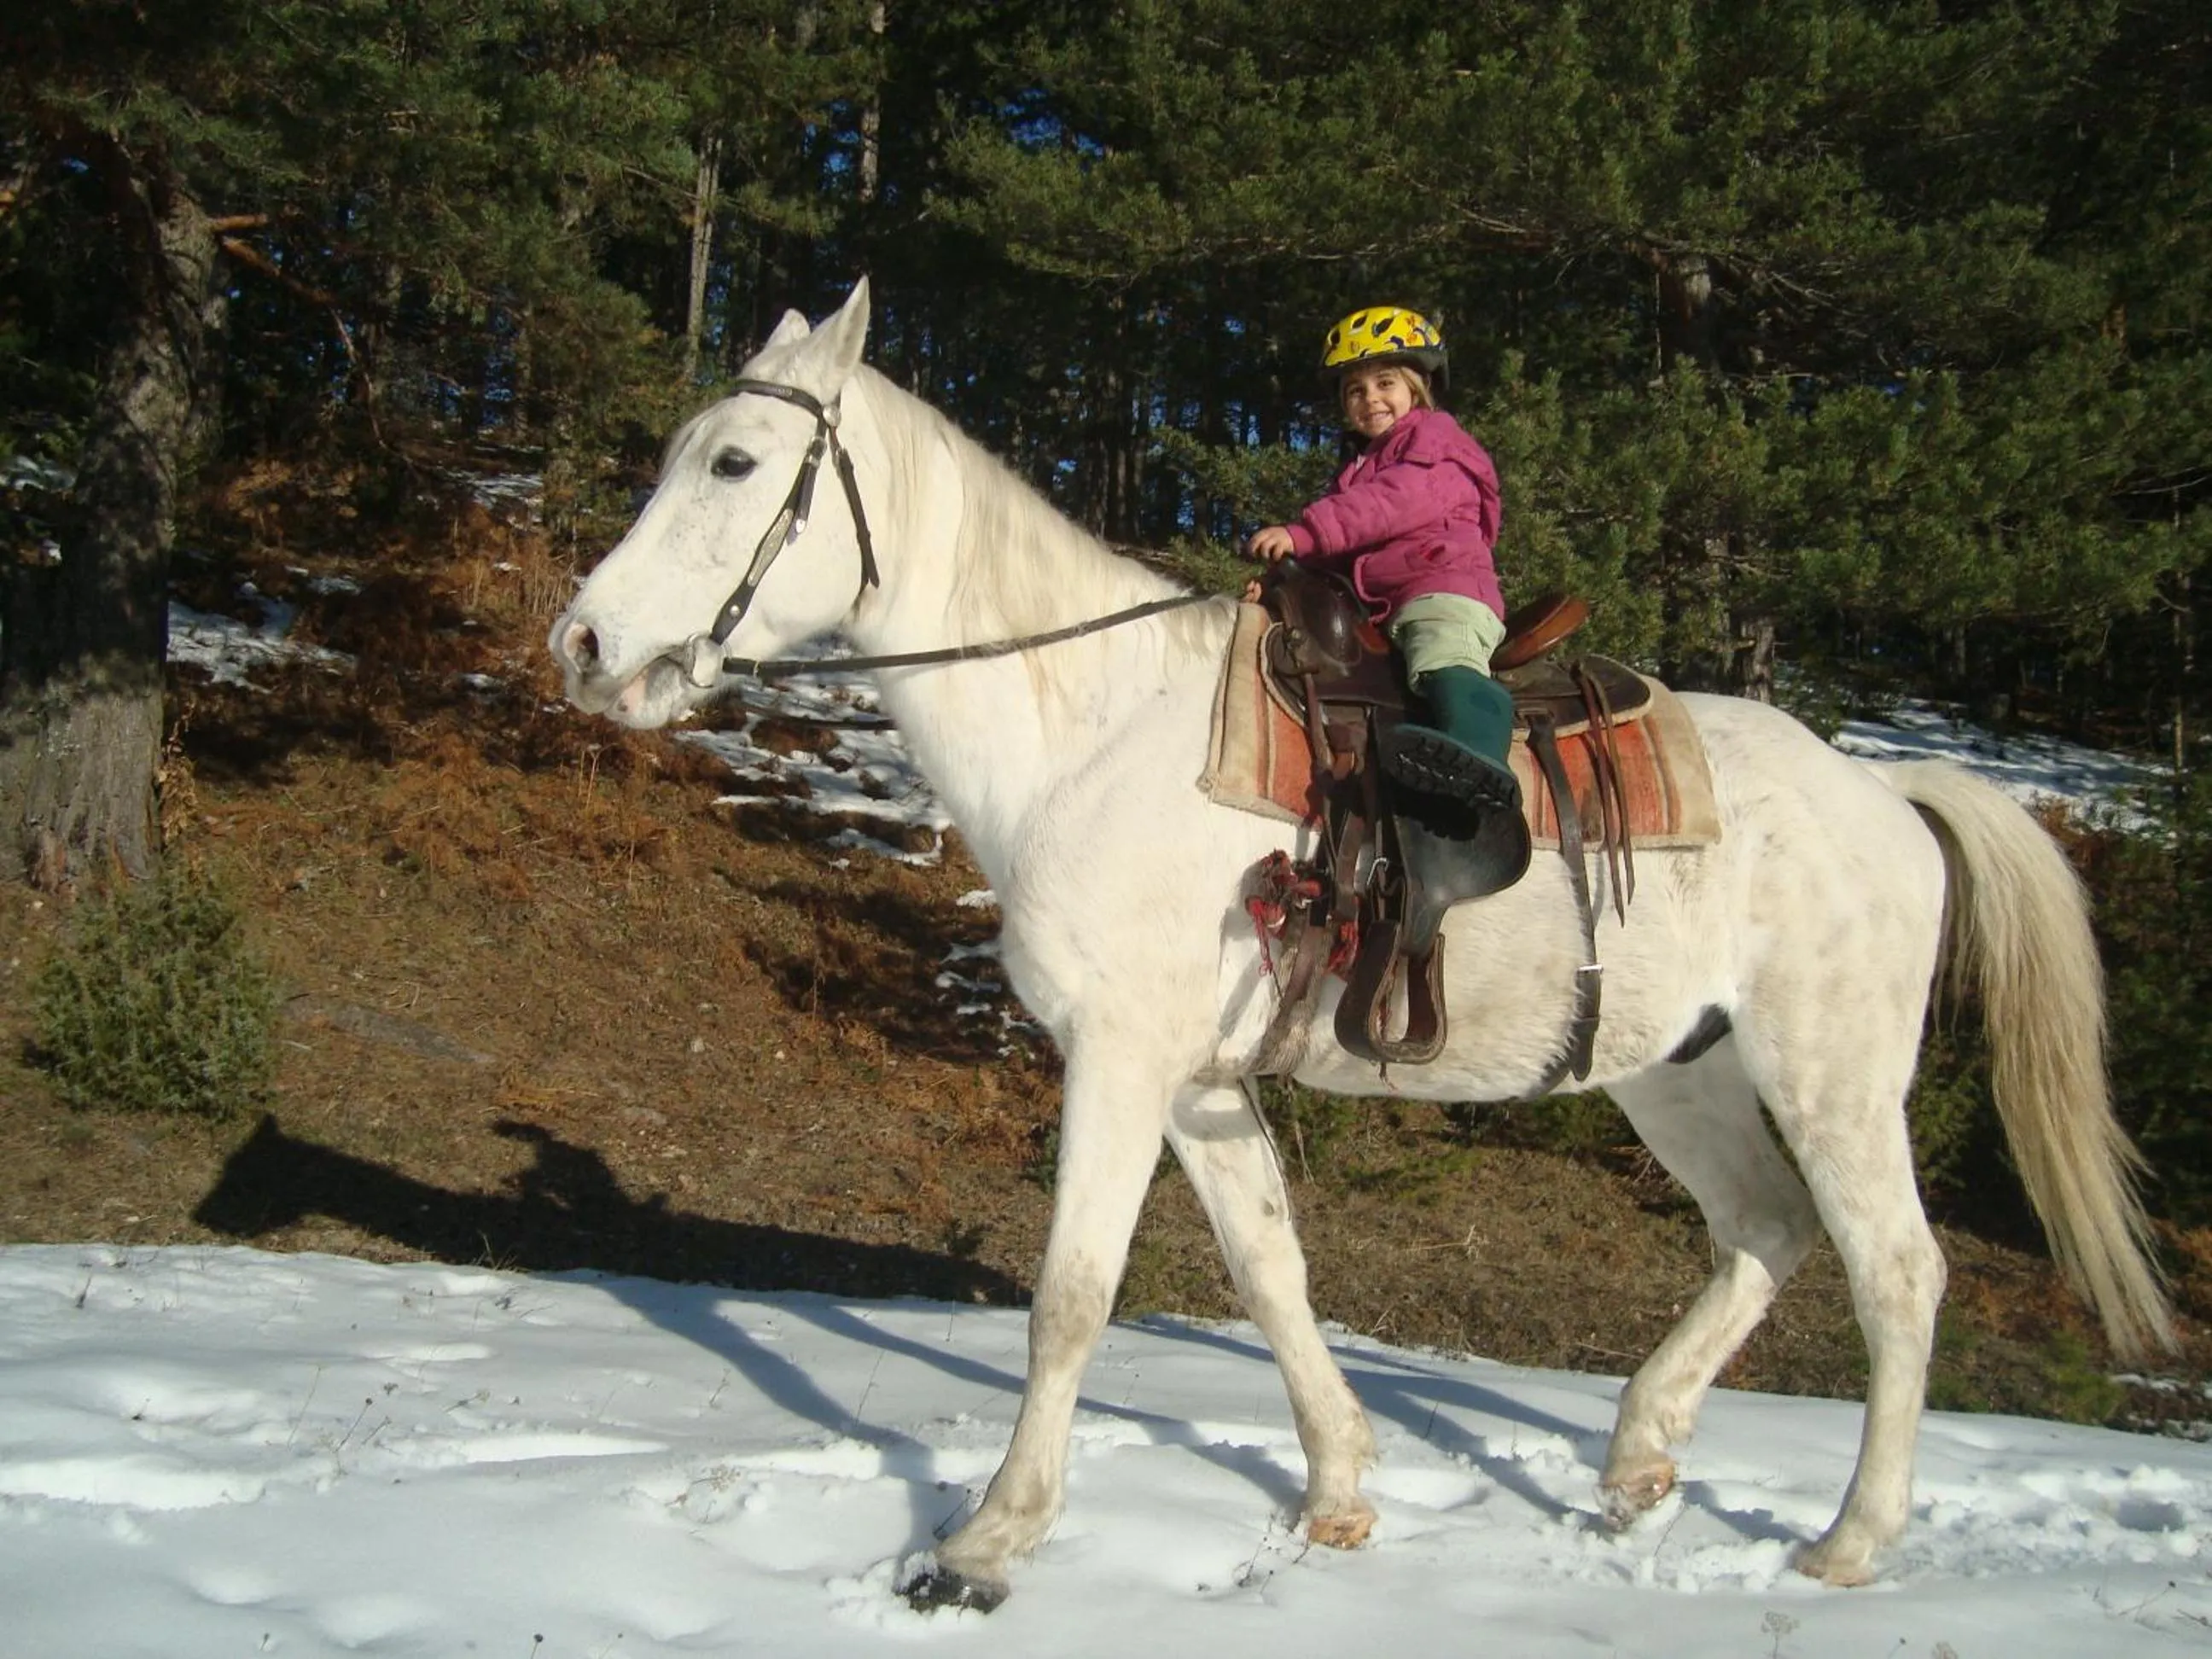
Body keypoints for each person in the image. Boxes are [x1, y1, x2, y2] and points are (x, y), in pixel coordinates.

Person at [1248, 305, 1518, 816]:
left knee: (1442, 655)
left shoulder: (1436, 445)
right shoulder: (1360, 468)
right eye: (1355, 390)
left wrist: (1302, 533)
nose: (1370, 398)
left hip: (1444, 591)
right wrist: (1279, 582)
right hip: (1385, 609)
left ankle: (1480, 761)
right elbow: (1341, 550)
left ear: (1418, 387)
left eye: (1385, 383)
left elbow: (1387, 506)